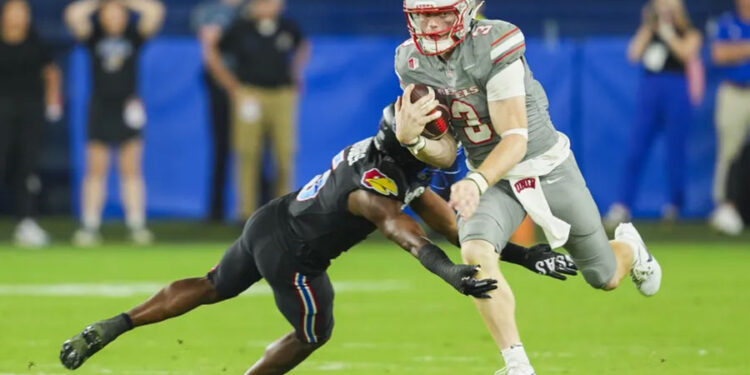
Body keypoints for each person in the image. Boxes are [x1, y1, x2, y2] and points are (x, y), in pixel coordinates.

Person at [59, 104, 578, 373]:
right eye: (438, 138)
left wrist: (529, 257)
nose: (448, 145)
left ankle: (114, 325)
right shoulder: (376, 186)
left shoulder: (389, 164)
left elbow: (449, 225)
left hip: (271, 219)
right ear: (412, 143)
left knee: (213, 284)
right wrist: (450, 273)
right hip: (295, 255)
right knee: (314, 332)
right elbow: (411, 236)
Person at [393, 1, 662, 374]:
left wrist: (474, 180)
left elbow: (515, 139)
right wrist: (414, 142)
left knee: (605, 277)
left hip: (546, 168)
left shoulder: (495, 42)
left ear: (468, 10)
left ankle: (629, 248)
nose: (432, 23)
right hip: (491, 179)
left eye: (442, 12)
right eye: (423, 13)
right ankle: (517, 364)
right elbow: (447, 152)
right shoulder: (410, 60)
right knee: (474, 250)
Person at [64, 0, 165, 246]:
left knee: (131, 169)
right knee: (95, 169)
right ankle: (89, 226)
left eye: (118, 13)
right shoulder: (94, 37)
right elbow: (72, 14)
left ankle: (136, 224)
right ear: (101, 16)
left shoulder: (133, 37)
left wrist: (124, 2)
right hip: (100, 108)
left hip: (127, 107)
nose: (114, 18)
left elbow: (155, 11)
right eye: (109, 14)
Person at [206, 0, 310, 220]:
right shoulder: (240, 27)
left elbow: (303, 46)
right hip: (250, 94)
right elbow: (213, 51)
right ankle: (246, 213)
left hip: (281, 94)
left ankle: (285, 211)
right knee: (247, 153)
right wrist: (233, 87)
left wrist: (297, 73)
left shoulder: (287, 26)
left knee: (284, 152)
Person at [603, 0, 702, 228]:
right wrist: (650, 25)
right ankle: (623, 204)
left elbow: (687, 53)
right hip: (650, 91)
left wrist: (669, 32)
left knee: (675, 151)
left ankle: (675, 205)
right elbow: (633, 54)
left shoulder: (689, 32)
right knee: (636, 149)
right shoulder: (650, 31)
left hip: (676, 91)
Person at [0, 0, 62, 247]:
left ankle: (26, 222)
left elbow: (51, 72)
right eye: (13, 11)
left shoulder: (37, 42)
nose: (17, 16)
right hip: (1, 114)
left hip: (30, 114)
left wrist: (52, 102)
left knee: (26, 168)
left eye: (22, 12)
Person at [191, 0, 243, 222]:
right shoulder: (209, 12)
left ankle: (263, 207)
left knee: (256, 148)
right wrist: (230, 85)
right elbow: (209, 50)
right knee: (222, 146)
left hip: (254, 86)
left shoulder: (252, 8)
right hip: (224, 87)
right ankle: (216, 211)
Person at [709, 0, 750, 236]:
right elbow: (719, 54)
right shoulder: (728, 22)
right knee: (729, 150)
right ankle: (726, 207)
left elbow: (730, 51)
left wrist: (738, 49)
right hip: (733, 91)